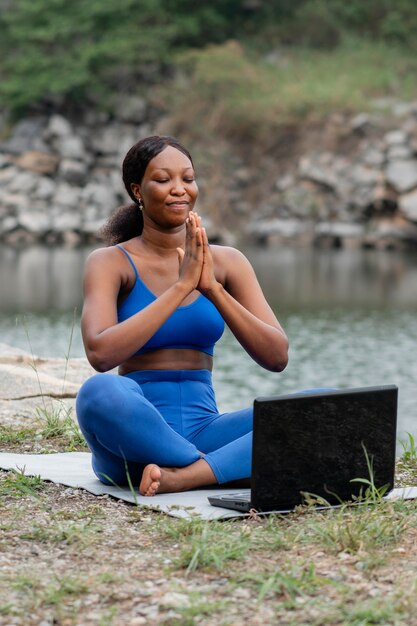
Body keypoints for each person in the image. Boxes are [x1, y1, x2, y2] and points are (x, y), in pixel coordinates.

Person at [76, 135, 289, 496]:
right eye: (163, 180)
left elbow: (277, 356)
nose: (179, 189)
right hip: (132, 441)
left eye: (187, 179)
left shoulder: (228, 262)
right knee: (99, 392)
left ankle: (185, 476)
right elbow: (100, 354)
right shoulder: (109, 262)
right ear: (137, 190)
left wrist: (212, 289)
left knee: (322, 406)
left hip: (206, 427)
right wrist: (180, 287)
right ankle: (220, 465)